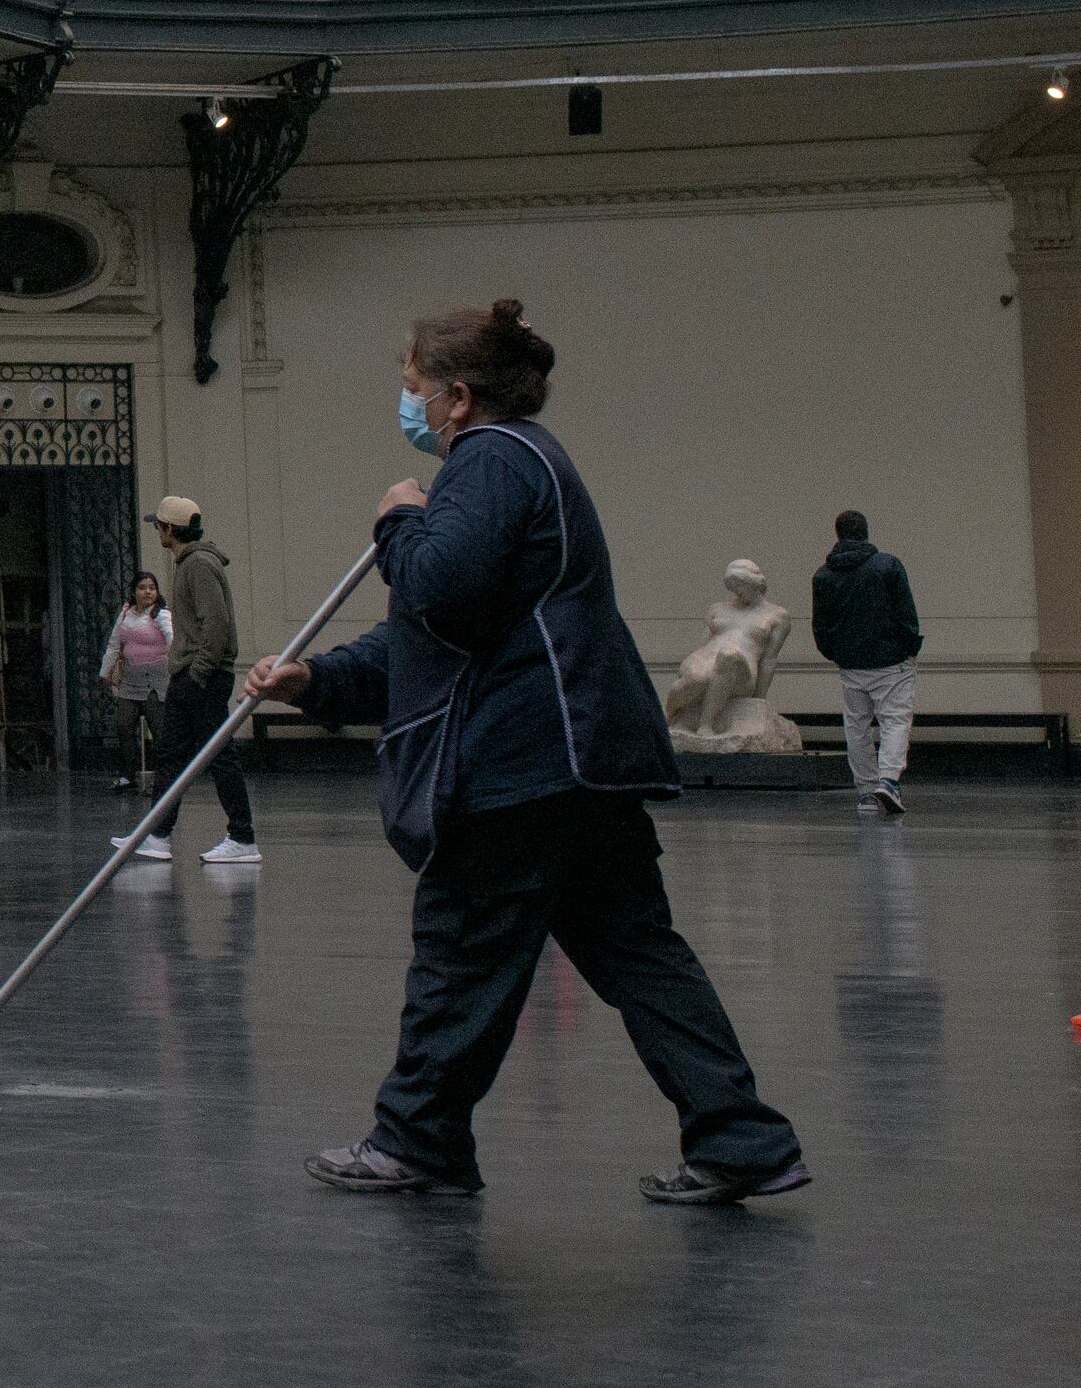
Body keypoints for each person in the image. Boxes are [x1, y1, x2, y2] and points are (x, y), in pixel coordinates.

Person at [249, 298, 807, 1205]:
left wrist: (397, 520)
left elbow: (438, 587)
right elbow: (436, 641)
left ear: (459, 397)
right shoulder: (521, 465)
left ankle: (418, 1137)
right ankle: (741, 1137)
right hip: (578, 759)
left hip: (519, 764)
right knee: (640, 955)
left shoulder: (490, 461)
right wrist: (316, 679)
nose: (410, 407)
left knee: (461, 954)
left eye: (414, 390)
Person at [148, 495, 258, 865]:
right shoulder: (192, 563)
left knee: (215, 755)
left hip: (201, 676)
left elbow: (216, 626)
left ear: (169, 529)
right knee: (175, 754)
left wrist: (196, 674)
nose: (158, 532)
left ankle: (242, 836)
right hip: (196, 674)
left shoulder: (197, 566)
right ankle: (157, 833)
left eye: (159, 526)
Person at [809, 508, 922, 816]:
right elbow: (906, 614)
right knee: (894, 721)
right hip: (891, 662)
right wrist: (910, 647)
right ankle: (888, 780)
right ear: (865, 531)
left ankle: (865, 793)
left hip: (851, 664)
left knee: (856, 728)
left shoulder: (823, 575)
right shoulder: (888, 566)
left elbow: (821, 626)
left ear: (838, 534)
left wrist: (836, 653)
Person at [99, 573, 175, 815]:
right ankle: (127, 775)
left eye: (152, 588)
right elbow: (114, 644)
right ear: (134, 592)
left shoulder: (161, 614)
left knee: (159, 730)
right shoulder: (126, 614)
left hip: (155, 680)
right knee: (124, 726)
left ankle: (166, 778)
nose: (148, 592)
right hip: (131, 681)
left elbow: (172, 638)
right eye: (142, 588)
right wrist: (105, 672)